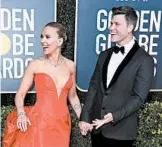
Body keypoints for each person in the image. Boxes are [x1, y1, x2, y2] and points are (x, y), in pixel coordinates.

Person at [79, 6, 154, 147]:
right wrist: (85, 118)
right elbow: (94, 87)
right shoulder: (104, 55)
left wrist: (114, 116)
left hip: (121, 133)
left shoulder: (144, 60)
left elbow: (138, 98)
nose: (111, 28)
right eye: (111, 24)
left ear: (130, 27)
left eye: (117, 24)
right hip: (98, 129)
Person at [3, 22, 82, 147]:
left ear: (60, 41)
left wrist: (82, 119)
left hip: (63, 123)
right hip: (41, 122)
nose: (43, 41)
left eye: (47, 37)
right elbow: (20, 94)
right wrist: (21, 114)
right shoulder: (36, 64)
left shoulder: (70, 66)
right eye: (42, 37)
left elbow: (73, 97)